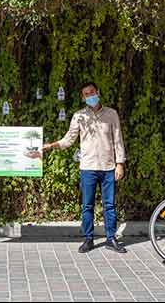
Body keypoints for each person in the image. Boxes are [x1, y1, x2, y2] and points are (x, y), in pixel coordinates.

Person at [27, 82, 127, 253]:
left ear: (98, 92)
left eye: (92, 92)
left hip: (108, 166)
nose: (90, 96)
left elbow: (118, 139)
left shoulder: (111, 114)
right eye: (86, 94)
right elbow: (68, 139)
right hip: (88, 167)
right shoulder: (79, 116)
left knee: (109, 205)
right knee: (87, 205)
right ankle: (88, 239)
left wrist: (120, 164)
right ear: (83, 97)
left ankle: (111, 238)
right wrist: (50, 146)